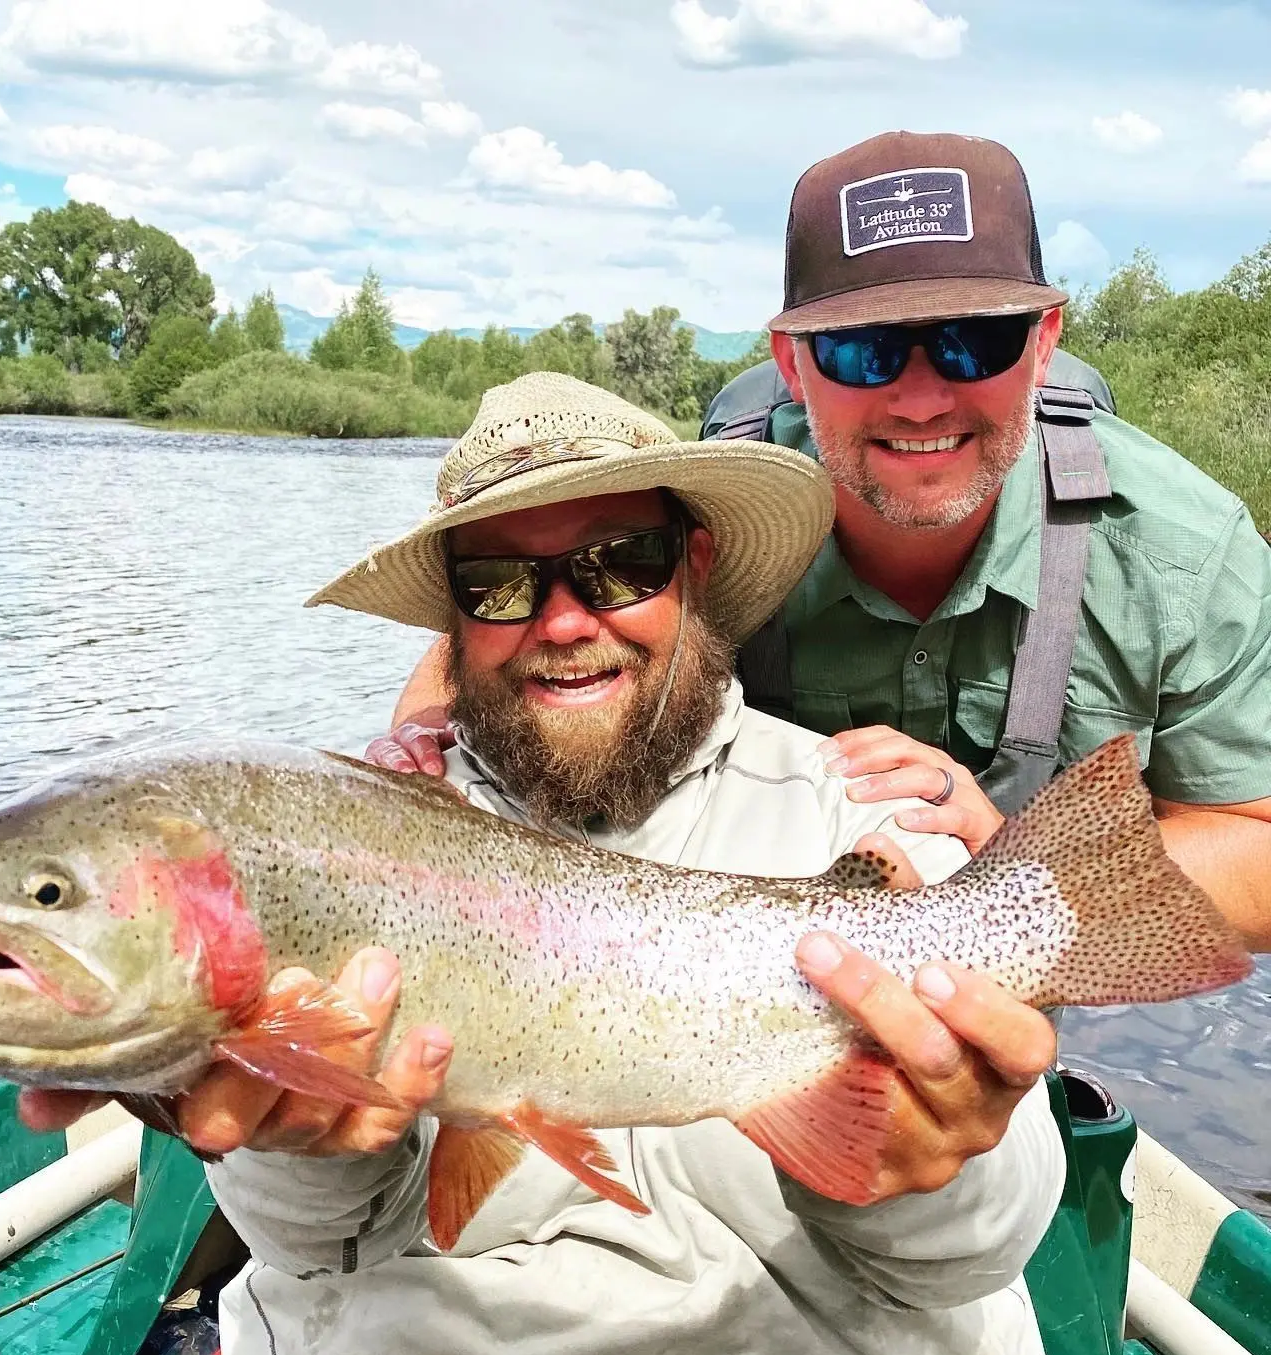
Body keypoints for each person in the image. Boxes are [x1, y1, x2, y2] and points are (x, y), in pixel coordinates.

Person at [142, 373, 1060, 1355]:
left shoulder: (868, 812)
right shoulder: (353, 847)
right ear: (453, 616)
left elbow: (976, 1258)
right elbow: (316, 1242)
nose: (567, 620)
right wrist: (297, 1146)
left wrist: (932, 1164)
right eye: (499, 582)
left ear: (695, 566)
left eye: (622, 565)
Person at [379, 131, 1271, 952]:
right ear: (789, 363)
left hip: (1020, 975)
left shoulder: (1184, 554)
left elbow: (1259, 853)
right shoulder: (725, 518)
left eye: (976, 343)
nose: (921, 398)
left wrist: (1012, 870)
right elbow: (518, 620)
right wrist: (425, 755)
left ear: (1044, 345)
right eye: (861, 352)